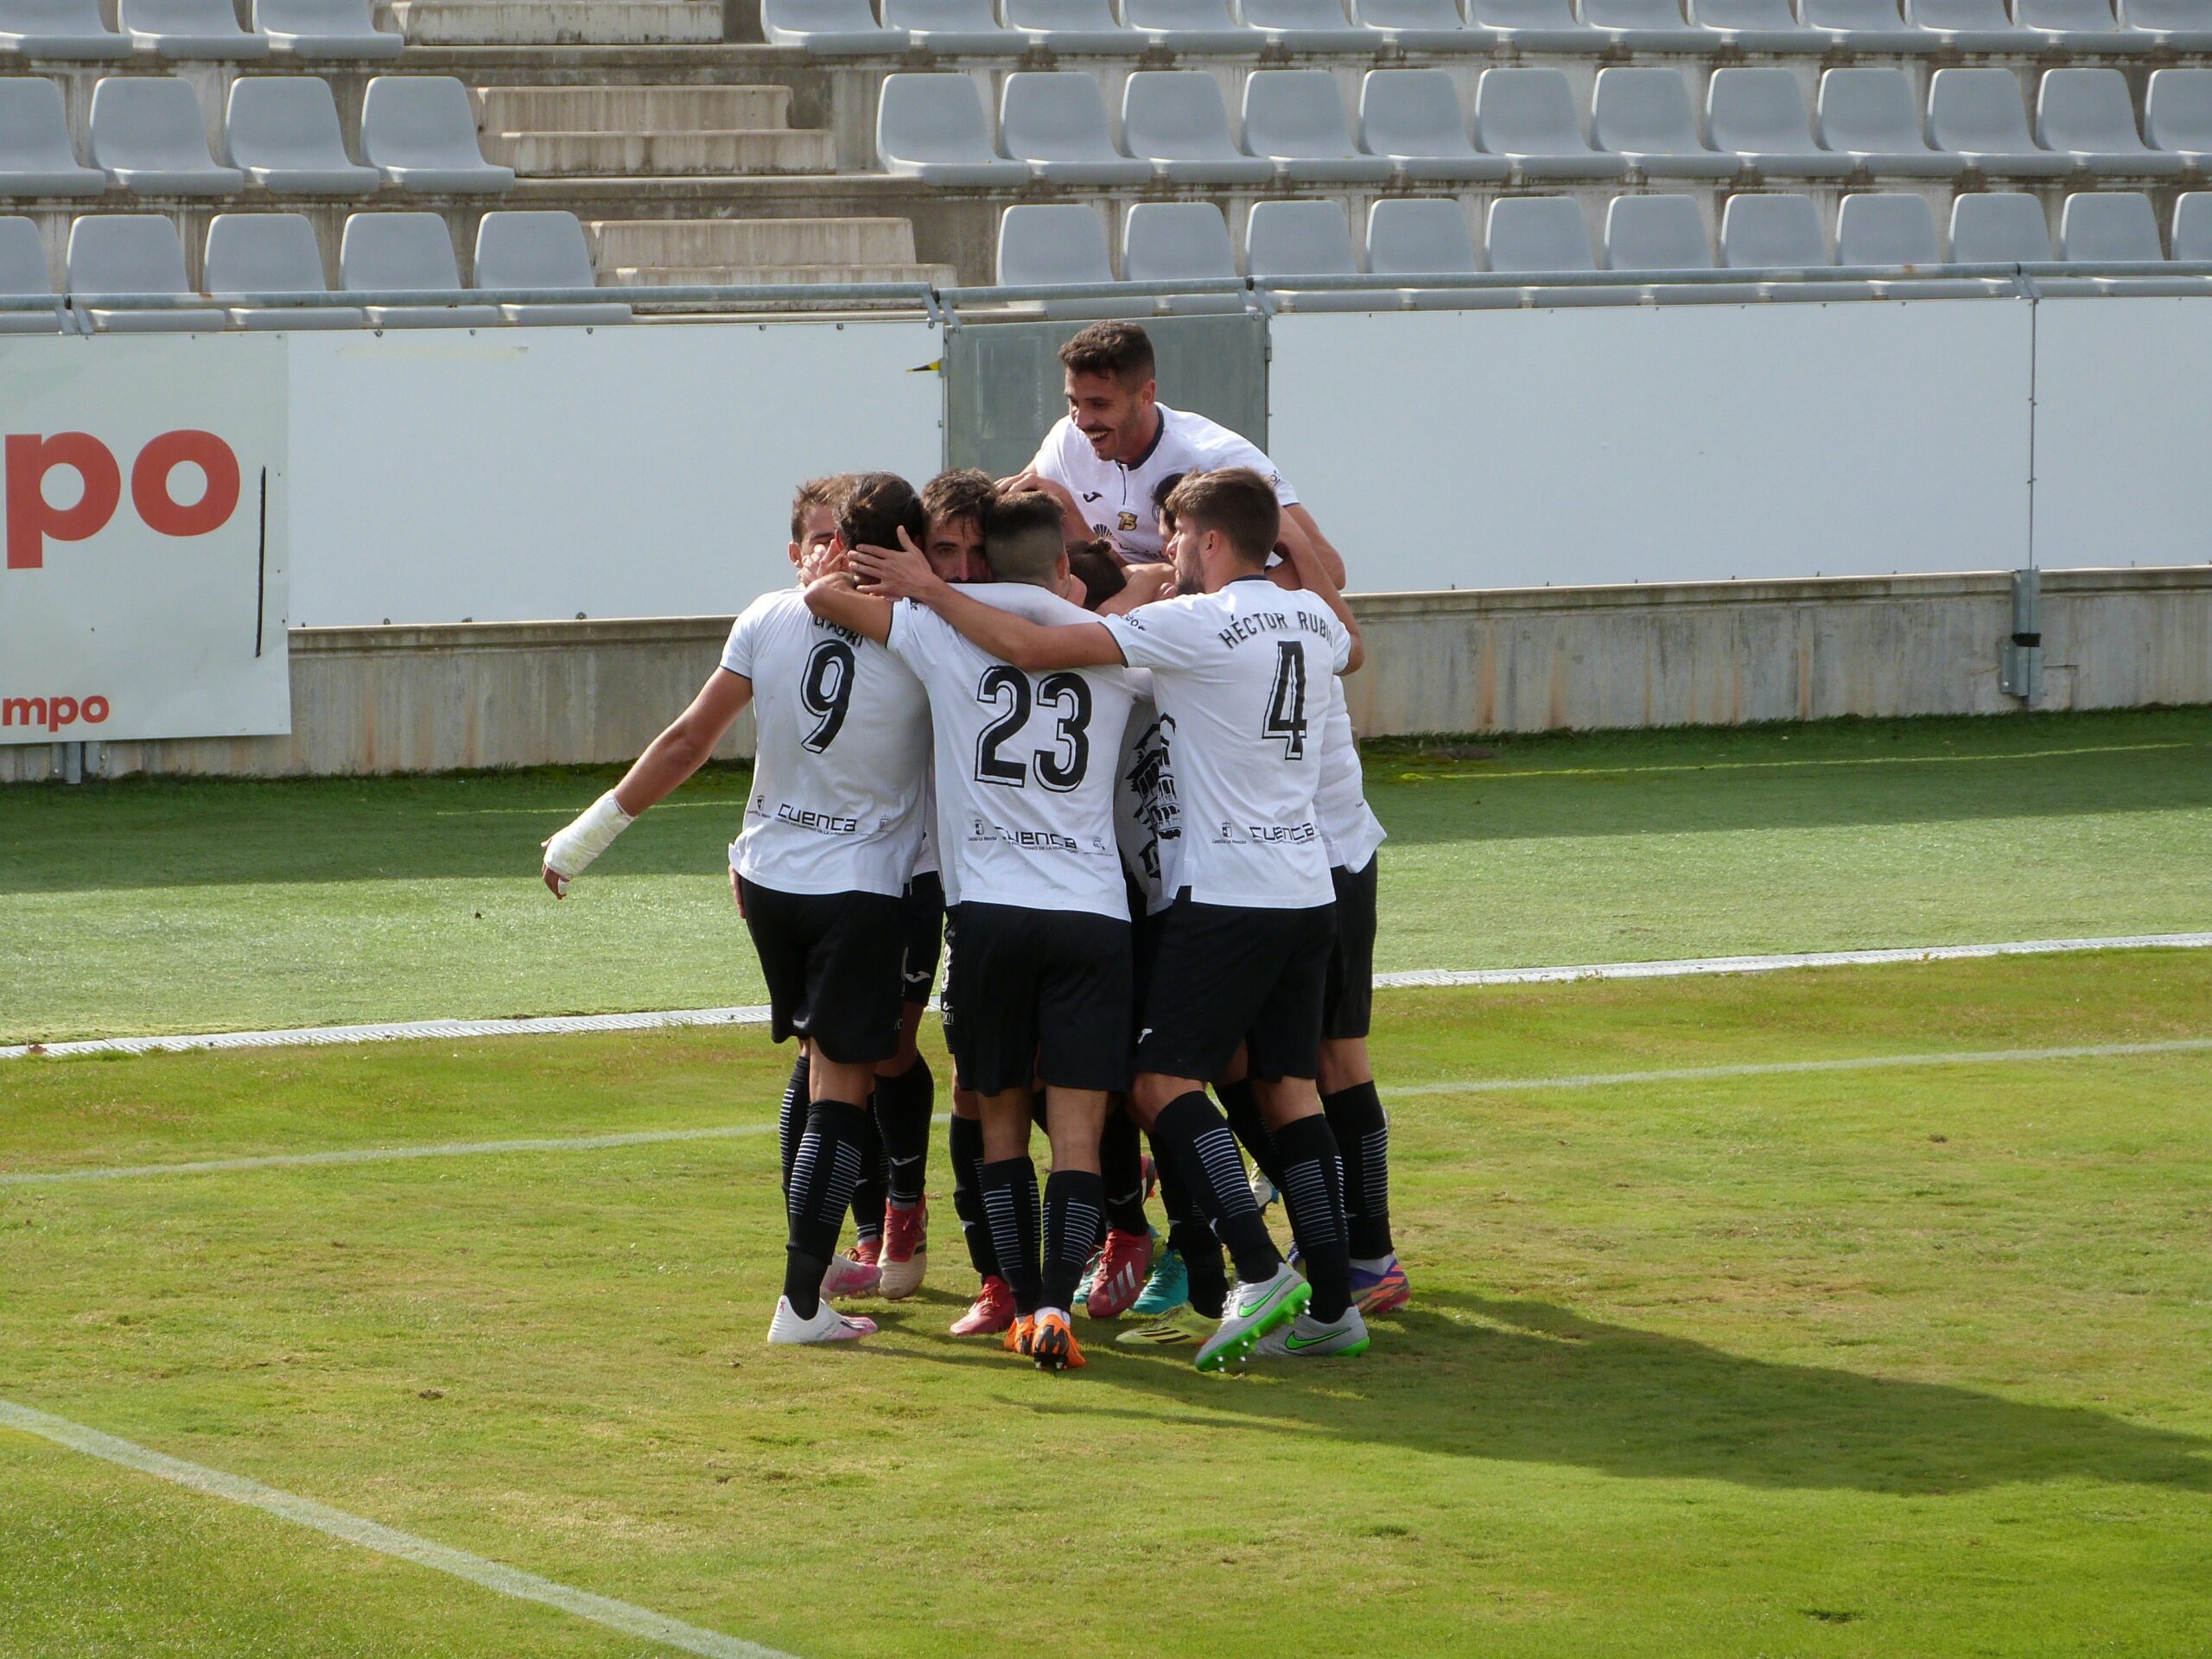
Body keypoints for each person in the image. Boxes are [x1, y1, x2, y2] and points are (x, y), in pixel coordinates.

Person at [853, 467, 1370, 1371]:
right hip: (1308, 886)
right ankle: (1335, 1300)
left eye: (1175, 537)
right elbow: (1352, 648)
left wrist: (933, 591)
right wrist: (1304, 560)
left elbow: (1036, 650)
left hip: (1224, 892)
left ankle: (1257, 1269)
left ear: (1211, 541)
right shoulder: (1313, 619)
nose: (1164, 555)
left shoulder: (1190, 626)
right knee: (1289, 1089)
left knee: (1160, 1087)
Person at [542, 472, 933, 1347]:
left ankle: (814, 1283)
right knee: (840, 1084)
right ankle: (801, 1305)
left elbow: (688, 737)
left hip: (767, 880)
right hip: (858, 887)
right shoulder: (927, 634)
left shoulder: (767, 614)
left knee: (812, 1064)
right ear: (905, 549)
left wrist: (581, 839)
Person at [809, 490, 1139, 1372]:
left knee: (995, 1130)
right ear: (1061, 565)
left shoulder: (939, 626)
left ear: (981, 557)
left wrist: (902, 579)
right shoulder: (1101, 633)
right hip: (1094, 913)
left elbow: (823, 602)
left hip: (991, 915)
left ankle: (1018, 1299)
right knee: (1074, 1136)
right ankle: (1056, 1306)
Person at [1006, 321, 1346, 588]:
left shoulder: (1216, 460)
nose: (1081, 420)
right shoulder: (1066, 438)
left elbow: (1329, 569)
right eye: (1073, 402)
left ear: (1145, 395)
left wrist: (1210, 604)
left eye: (1099, 404)